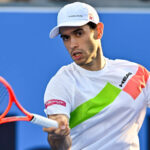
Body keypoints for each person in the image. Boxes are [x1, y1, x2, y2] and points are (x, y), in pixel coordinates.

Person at [43, 2, 150, 150]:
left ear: (98, 31)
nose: (72, 44)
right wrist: (58, 135)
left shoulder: (136, 74)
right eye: (65, 37)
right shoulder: (61, 82)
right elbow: (61, 146)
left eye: (78, 33)